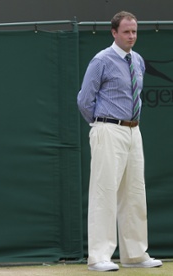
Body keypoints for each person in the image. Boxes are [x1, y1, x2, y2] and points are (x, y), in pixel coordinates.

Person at [77, 11, 163, 272]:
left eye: (134, 31)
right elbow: (84, 100)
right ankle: (99, 257)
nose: (131, 36)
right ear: (114, 33)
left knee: (135, 193)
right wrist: (101, 125)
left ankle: (135, 255)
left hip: (133, 131)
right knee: (104, 193)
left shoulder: (137, 60)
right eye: (126, 32)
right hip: (107, 129)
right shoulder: (101, 60)